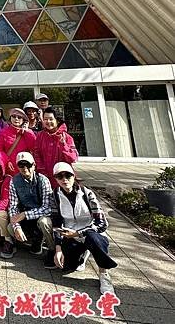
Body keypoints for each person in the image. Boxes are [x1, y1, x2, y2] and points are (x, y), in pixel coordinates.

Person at [51, 162, 117, 294]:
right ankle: (83, 254)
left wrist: (78, 233)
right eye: (60, 176)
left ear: (74, 176)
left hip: (90, 233)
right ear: (56, 179)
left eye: (68, 175)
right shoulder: (55, 196)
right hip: (70, 236)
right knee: (67, 267)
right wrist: (58, 248)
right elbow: (57, 223)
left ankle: (104, 274)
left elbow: (102, 223)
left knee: (92, 238)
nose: (64, 179)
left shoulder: (87, 194)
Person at [7, 151, 55, 265]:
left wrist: (25, 214)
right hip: (26, 218)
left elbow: (48, 208)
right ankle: (32, 240)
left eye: (28, 165)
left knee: (44, 222)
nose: (25, 168)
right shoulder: (14, 181)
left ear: (34, 165)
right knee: (10, 227)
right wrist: (17, 227)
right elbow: (13, 207)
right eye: (21, 165)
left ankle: (52, 249)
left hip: (40, 216)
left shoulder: (43, 180)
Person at [34, 107, 78, 187]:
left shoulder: (66, 137)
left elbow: (73, 158)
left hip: (63, 178)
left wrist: (64, 145)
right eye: (45, 119)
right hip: (45, 178)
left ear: (57, 120)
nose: (48, 122)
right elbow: (37, 155)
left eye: (51, 119)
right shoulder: (40, 136)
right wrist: (42, 171)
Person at [0, 108, 36, 174]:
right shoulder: (3, 132)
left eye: (19, 117)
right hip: (9, 167)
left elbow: (33, 148)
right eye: (14, 116)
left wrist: (27, 132)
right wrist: (6, 161)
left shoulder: (29, 132)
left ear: (23, 120)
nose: (16, 119)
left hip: (24, 167)